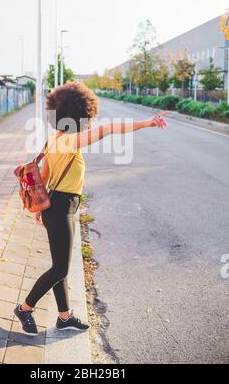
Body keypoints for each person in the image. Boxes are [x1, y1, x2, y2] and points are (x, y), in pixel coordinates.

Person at [14, 82, 168, 335]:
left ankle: (64, 318)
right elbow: (107, 129)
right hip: (61, 207)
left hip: (57, 206)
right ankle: (25, 307)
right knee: (60, 268)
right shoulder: (70, 141)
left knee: (59, 265)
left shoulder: (55, 139)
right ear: (81, 115)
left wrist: (40, 209)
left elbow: (45, 176)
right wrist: (145, 123)